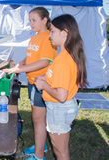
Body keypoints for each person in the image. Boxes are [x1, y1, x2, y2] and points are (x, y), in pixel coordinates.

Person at [2, 7, 57, 160]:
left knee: (38, 119)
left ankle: (39, 156)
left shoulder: (47, 37)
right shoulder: (35, 37)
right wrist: (20, 65)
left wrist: (22, 68)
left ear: (45, 20)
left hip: (42, 84)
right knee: (38, 119)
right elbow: (31, 57)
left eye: (34, 20)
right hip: (33, 83)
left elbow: (45, 61)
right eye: (29, 21)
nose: (31, 24)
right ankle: (41, 145)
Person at [35, 14, 87, 160]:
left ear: (64, 33)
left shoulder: (64, 60)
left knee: (60, 152)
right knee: (60, 149)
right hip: (60, 109)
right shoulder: (66, 55)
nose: (50, 35)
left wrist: (44, 84)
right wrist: (47, 78)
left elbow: (61, 95)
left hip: (59, 108)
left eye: (52, 31)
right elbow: (62, 80)